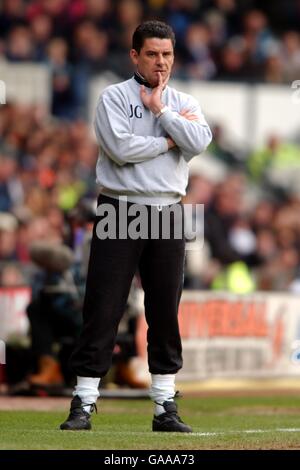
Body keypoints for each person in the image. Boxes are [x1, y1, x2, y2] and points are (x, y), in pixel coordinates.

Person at [60, 20, 212, 433]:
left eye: (166, 54)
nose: (160, 62)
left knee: (164, 310)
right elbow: (121, 149)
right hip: (119, 207)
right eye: (151, 54)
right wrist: (167, 141)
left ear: (174, 56)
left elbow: (199, 142)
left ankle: (165, 404)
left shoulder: (183, 101)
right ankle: (84, 401)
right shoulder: (113, 96)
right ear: (134, 55)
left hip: (167, 210)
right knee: (103, 306)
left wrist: (162, 111)